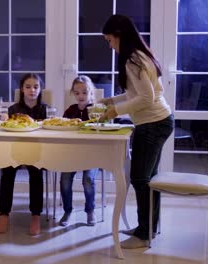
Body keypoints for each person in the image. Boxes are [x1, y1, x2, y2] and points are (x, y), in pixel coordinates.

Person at [100, 15, 174, 248]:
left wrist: (114, 112)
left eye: (110, 40)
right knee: (148, 179)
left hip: (152, 124)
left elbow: (145, 97)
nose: (110, 46)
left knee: (141, 178)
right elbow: (139, 93)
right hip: (160, 120)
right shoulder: (141, 55)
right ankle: (149, 228)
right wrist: (112, 100)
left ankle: (144, 234)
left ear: (119, 34)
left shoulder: (132, 59)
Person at [0, 73, 46, 236]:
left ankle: (36, 215)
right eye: (28, 87)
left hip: (37, 152)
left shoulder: (46, 109)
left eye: (36, 87)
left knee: (36, 172)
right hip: (15, 151)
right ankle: (3, 214)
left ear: (40, 89)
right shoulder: (13, 109)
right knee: (7, 171)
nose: (32, 90)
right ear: (22, 89)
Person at [59, 75, 99, 227]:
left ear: (91, 93)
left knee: (88, 179)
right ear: (73, 94)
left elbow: (104, 129)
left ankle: (90, 210)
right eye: (77, 93)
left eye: (84, 92)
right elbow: (62, 129)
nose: (81, 96)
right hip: (72, 153)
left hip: (92, 154)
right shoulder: (70, 111)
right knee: (65, 179)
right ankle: (67, 210)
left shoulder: (96, 110)